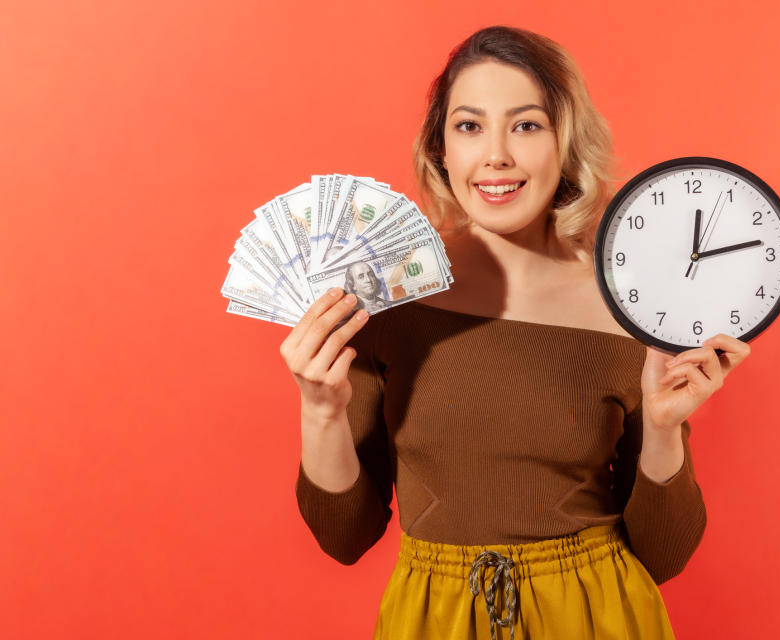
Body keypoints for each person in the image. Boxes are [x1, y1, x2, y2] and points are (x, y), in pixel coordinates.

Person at [282, 26, 752, 640]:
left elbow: (663, 555)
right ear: (441, 149)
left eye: (526, 125)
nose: (495, 155)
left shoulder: (629, 300)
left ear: (566, 143)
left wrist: (664, 431)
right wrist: (320, 411)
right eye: (469, 126)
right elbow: (344, 537)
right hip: (435, 621)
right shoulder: (387, 293)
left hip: (595, 616)